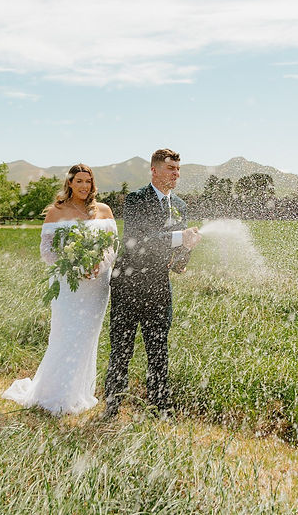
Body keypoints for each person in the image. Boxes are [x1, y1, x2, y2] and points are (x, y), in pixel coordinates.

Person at [2, 163, 117, 415]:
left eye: (88, 181)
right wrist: (74, 266)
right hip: (68, 284)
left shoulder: (104, 210)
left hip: (97, 284)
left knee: (87, 337)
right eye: (79, 181)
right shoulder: (57, 211)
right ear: (70, 183)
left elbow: (112, 246)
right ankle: (56, 393)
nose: (84, 186)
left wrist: (98, 265)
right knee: (66, 333)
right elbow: (47, 251)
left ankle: (78, 392)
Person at [102, 148, 201, 420]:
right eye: (171, 168)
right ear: (154, 170)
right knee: (122, 348)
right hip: (129, 285)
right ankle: (112, 407)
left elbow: (178, 252)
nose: (176, 174)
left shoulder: (180, 205)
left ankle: (160, 407)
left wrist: (185, 252)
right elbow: (137, 241)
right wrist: (180, 237)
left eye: (178, 169)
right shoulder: (136, 199)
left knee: (158, 349)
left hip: (158, 287)